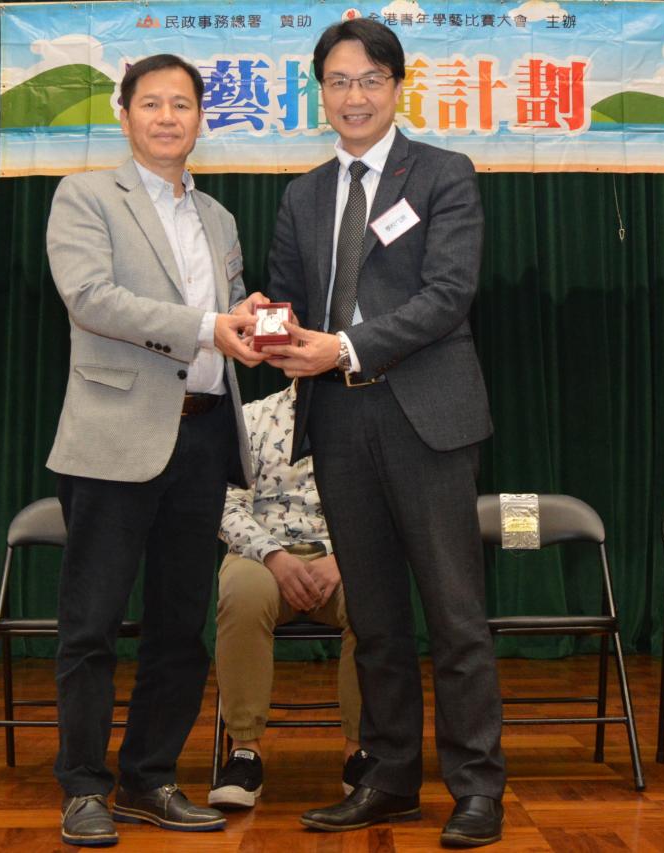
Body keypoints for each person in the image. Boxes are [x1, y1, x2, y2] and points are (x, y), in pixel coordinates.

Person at [260, 18, 506, 849]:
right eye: (338, 81)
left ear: (398, 87)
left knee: (456, 614)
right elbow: (289, 297)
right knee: (374, 618)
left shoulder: (442, 173)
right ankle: (390, 778)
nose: (354, 96)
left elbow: (448, 295)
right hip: (337, 419)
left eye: (370, 79)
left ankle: (477, 787)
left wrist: (344, 346)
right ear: (320, 93)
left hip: (426, 415)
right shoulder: (301, 195)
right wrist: (269, 324)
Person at [44, 54, 269, 846]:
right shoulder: (84, 196)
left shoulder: (218, 218)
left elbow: (224, 315)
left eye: (182, 104)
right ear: (125, 113)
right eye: (152, 103)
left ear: (202, 117)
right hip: (114, 437)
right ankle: (83, 787)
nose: (168, 117)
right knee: (92, 625)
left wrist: (248, 320)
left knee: (180, 625)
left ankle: (150, 777)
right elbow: (91, 298)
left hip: (203, 435)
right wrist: (208, 326)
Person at [209, 381, 371, 808]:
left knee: (374, 599)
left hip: (343, 556)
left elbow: (387, 502)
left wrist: (344, 557)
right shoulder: (253, 417)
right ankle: (245, 751)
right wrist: (274, 557)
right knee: (241, 594)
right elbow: (224, 502)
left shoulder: (371, 415)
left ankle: (360, 751)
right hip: (263, 554)